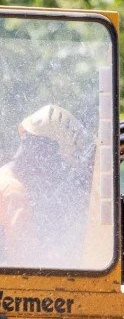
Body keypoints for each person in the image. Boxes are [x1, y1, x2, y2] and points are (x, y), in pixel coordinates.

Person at [0, 104, 91, 265]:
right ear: (46, 154)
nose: (56, 171)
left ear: (23, 133)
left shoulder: (4, 178)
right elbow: (26, 264)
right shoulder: (13, 193)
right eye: (58, 162)